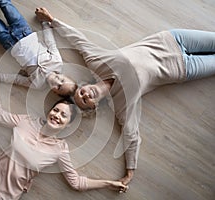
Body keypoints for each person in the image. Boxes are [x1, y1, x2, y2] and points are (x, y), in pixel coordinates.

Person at [35, 7, 215, 186]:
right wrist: (130, 171)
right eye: (85, 100)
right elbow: (131, 135)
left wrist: (52, 20)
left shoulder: (97, 61)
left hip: (171, 40)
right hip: (184, 69)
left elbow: (78, 40)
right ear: (94, 106)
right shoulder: (122, 102)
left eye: (81, 92)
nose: (85, 94)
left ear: (84, 84)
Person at [0, 65, 128, 200]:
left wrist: (108, 183)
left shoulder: (59, 149)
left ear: (68, 124)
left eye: (63, 115)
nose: (57, 116)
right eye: (56, 110)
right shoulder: (27, 122)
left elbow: (76, 182)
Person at [0, 0, 77, 96]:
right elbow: (50, 42)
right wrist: (44, 22)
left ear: (54, 92)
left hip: (9, 42)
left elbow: (17, 80)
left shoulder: (37, 84)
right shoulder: (57, 62)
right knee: (5, 4)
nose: (57, 82)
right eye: (62, 80)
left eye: (58, 87)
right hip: (24, 31)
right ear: (64, 75)